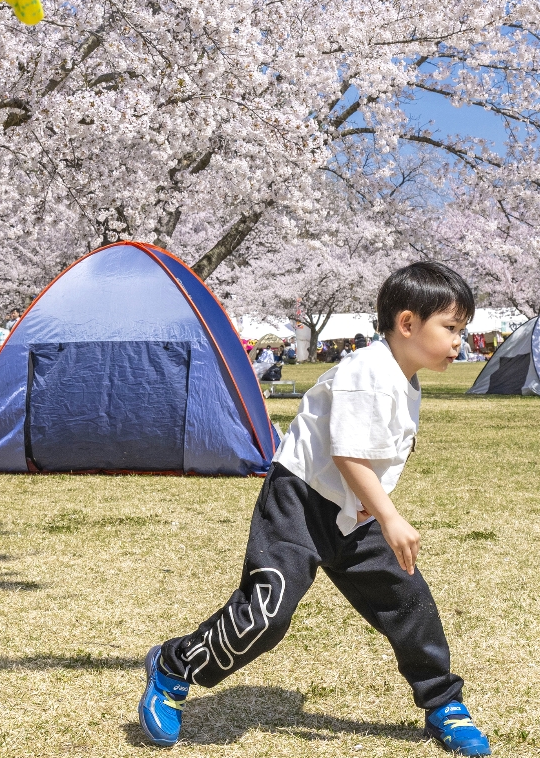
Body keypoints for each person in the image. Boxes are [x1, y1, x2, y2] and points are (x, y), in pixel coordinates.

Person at [139, 261, 491, 757]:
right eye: (451, 329)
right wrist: (390, 516)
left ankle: (444, 704)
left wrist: (374, 511)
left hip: (355, 512)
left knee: (409, 601)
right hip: (300, 503)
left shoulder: (404, 376)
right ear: (408, 324)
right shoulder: (367, 372)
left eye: (461, 331)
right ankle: (174, 667)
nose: (459, 342)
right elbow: (347, 454)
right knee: (266, 614)